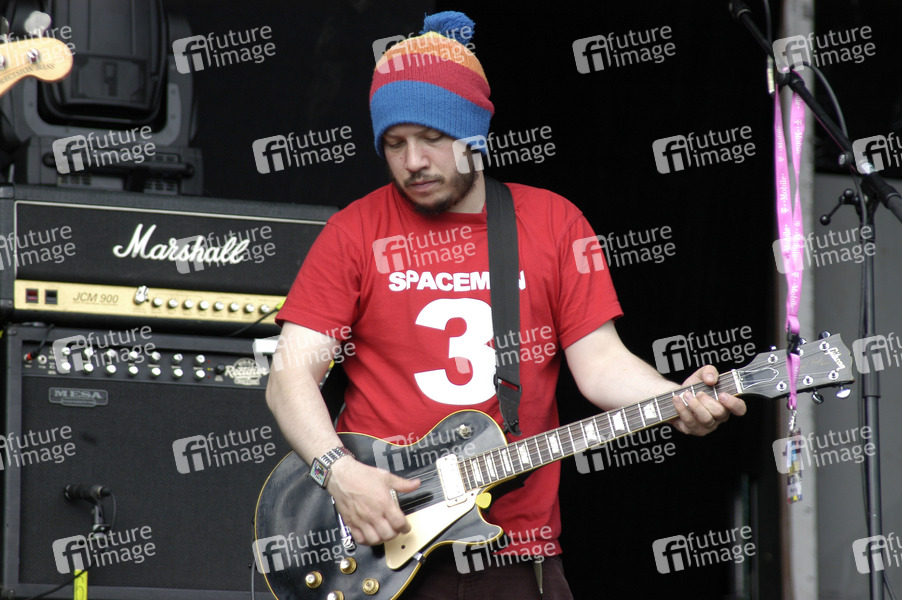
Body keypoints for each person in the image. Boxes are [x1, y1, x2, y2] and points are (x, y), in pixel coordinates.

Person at [266, 10, 746, 599]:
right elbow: (288, 376)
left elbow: (600, 365)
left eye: (432, 138)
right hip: (376, 555)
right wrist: (339, 473)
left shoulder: (553, 222)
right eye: (394, 143)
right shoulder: (354, 231)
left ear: (475, 134)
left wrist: (672, 399)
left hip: (516, 556)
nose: (413, 161)